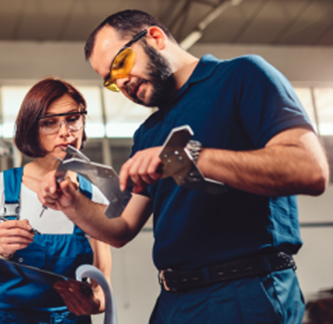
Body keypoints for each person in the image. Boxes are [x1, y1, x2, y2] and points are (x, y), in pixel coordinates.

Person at [38, 9, 330, 324]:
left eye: (121, 64)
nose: (121, 83)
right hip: (173, 300)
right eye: (111, 81)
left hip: (246, 291)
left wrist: (195, 156)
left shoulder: (241, 76)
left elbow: (309, 169)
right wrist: (71, 203)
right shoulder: (148, 132)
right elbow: (122, 228)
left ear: (155, 37)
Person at [0, 77, 111, 324]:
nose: (65, 132)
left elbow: (102, 289)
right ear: (32, 129)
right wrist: (0, 250)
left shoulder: (93, 198)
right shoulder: (0, 187)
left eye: (73, 119)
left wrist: (92, 303)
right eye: (50, 123)